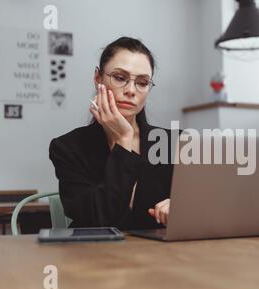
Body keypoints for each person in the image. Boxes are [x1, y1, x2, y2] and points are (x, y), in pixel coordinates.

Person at [49, 37, 177, 230]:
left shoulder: (172, 143)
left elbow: (207, 206)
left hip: (159, 255)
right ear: (98, 78)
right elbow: (100, 220)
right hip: (92, 256)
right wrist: (124, 140)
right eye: (119, 78)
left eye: (142, 82)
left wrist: (182, 209)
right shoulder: (68, 147)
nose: (131, 90)